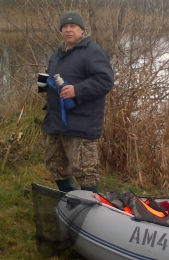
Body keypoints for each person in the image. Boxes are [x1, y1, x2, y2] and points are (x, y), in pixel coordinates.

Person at [40, 11, 114, 193]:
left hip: (81, 122)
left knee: (85, 170)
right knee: (55, 165)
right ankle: (72, 200)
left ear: (81, 30)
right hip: (56, 121)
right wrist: (44, 83)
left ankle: (91, 207)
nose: (68, 30)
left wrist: (77, 90)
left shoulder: (93, 52)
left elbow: (105, 80)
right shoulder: (57, 54)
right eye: (64, 27)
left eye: (72, 26)